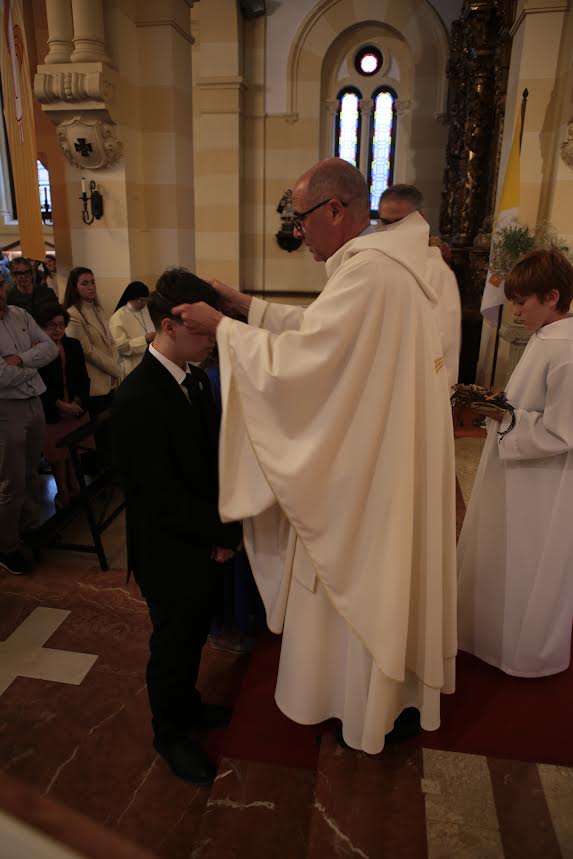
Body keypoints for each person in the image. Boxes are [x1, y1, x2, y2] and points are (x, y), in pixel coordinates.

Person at [173, 158, 457, 754]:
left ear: (334, 209)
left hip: (365, 473)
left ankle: (361, 710)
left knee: (353, 576)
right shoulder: (386, 265)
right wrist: (244, 305)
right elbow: (320, 332)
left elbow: (305, 361)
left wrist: (223, 329)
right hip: (382, 452)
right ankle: (386, 700)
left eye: (300, 219)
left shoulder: (369, 272)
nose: (297, 233)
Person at [112, 268, 242, 784]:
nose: (212, 342)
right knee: (171, 643)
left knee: (192, 635)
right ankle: (168, 734)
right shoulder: (136, 397)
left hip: (201, 538)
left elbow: (208, 463)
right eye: (204, 332)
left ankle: (188, 706)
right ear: (168, 325)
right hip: (168, 549)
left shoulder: (196, 380)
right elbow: (157, 495)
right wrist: (218, 535)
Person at [457, 248, 573, 677]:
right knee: (502, 552)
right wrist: (498, 405)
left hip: (543, 482)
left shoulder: (566, 350)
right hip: (519, 468)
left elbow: (562, 431)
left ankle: (525, 653)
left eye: (522, 302)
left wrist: (501, 416)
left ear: (552, 296)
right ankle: (491, 637)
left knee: (529, 562)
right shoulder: (545, 337)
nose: (516, 311)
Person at [0, 274, 58, 575]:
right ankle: (7, 545)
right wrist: (33, 363)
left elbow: (51, 349)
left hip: (34, 400)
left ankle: (31, 528)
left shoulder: (19, 314)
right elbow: (0, 376)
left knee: (31, 471)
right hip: (5, 407)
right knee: (11, 481)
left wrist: (20, 359)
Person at [378, 184, 462, 387]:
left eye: (399, 222)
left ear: (420, 220)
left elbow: (442, 338)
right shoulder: (379, 262)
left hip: (416, 379)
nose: (392, 230)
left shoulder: (436, 271)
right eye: (386, 222)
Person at [36, 302, 92, 510]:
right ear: (42, 327)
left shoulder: (73, 345)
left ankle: (75, 488)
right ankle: (63, 492)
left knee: (74, 452)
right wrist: (60, 405)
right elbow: (40, 384)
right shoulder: (37, 350)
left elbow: (83, 377)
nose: (57, 330)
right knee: (58, 455)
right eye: (51, 325)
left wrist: (77, 401)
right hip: (53, 410)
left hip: (75, 407)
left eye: (61, 325)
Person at [63, 268, 120, 466]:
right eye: (85, 283)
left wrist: (115, 368)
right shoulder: (73, 314)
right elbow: (86, 350)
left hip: (109, 377)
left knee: (110, 431)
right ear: (74, 287)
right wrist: (114, 369)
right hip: (93, 380)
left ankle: (111, 467)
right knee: (97, 435)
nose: (91, 287)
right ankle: (98, 471)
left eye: (93, 282)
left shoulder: (98, 310)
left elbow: (111, 343)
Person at [109, 281, 154, 378]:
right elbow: (120, 347)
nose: (144, 304)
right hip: (132, 368)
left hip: (150, 363)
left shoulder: (147, 311)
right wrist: (144, 339)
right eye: (141, 300)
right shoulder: (118, 317)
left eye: (146, 300)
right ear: (132, 298)